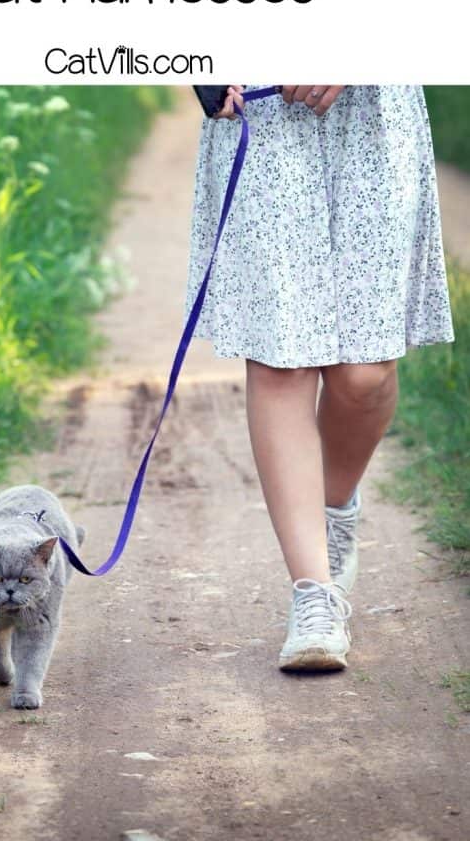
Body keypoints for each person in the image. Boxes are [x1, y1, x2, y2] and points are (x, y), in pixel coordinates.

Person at [185, 85, 455, 671]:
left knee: (365, 375)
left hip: (370, 116)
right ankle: (315, 594)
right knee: (282, 357)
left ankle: (332, 510)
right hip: (264, 119)